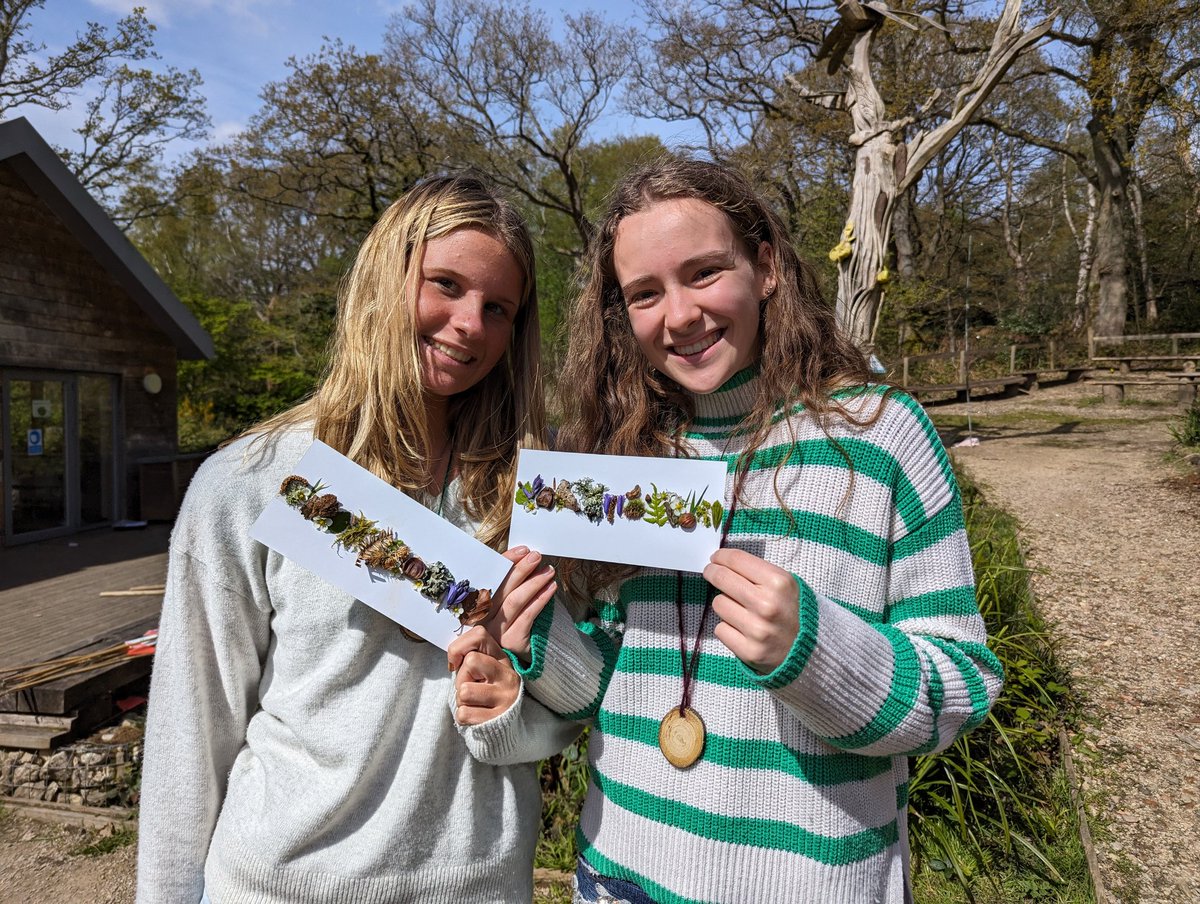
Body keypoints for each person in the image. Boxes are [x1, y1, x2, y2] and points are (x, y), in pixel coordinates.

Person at [486, 155, 1004, 903]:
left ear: (765, 267)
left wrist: (818, 650)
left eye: (703, 273)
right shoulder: (620, 459)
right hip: (618, 876)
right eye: (644, 294)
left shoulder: (884, 437)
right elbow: (599, 683)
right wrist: (535, 631)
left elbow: (963, 684)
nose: (680, 315)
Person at [136, 173, 571, 904]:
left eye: (498, 307)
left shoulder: (541, 491)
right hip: (278, 885)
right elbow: (191, 730)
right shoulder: (250, 481)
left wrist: (511, 717)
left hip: (477, 886)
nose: (470, 323)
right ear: (382, 280)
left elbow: (577, 702)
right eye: (445, 285)